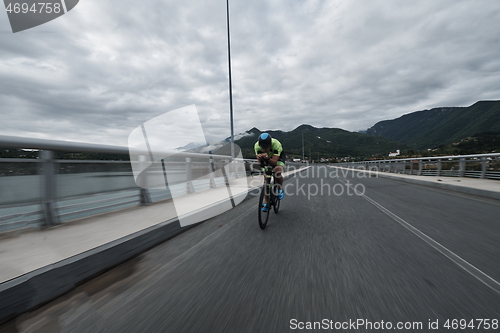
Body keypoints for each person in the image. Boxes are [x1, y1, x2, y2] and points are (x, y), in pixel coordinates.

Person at [255, 133, 285, 212]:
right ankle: (266, 203)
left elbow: (274, 163)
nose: (265, 149)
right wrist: (260, 159)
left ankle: (280, 188)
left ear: (270, 144)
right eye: (263, 147)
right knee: (266, 182)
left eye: (267, 147)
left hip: (278, 158)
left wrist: (267, 158)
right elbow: (260, 164)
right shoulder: (257, 146)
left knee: (277, 172)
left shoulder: (276, 144)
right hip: (266, 158)